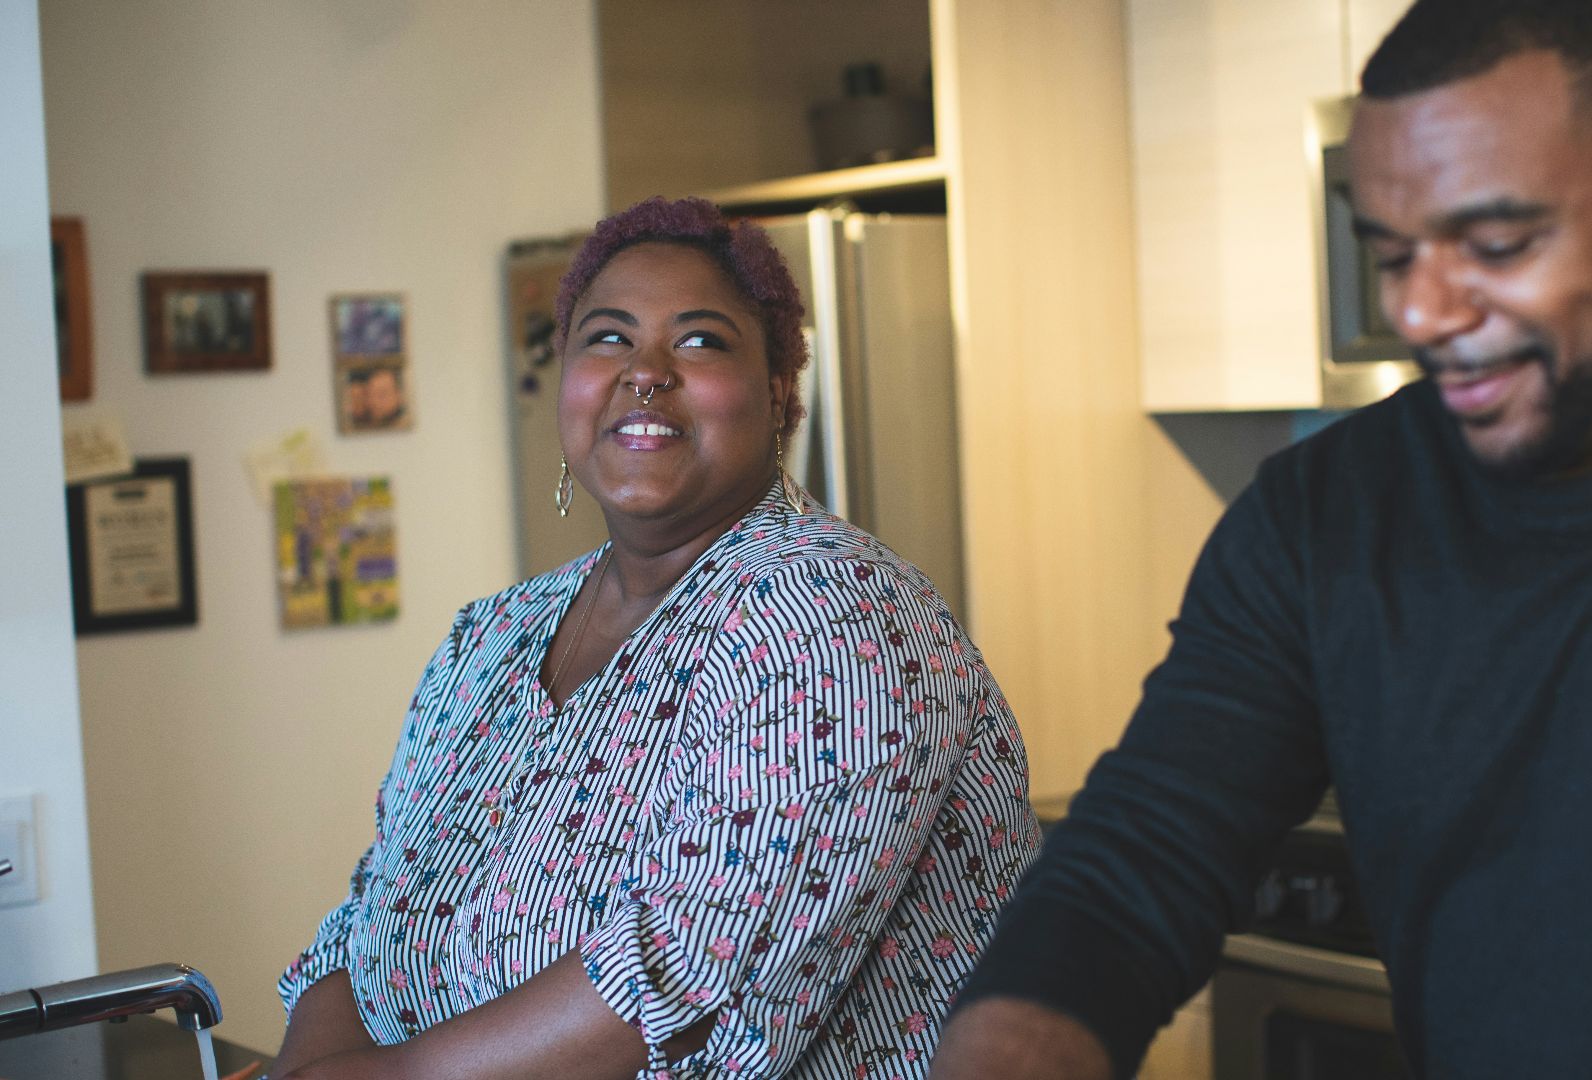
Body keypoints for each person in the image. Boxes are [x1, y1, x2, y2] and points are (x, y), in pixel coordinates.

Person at [931, 1, 1592, 1077]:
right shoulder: (1323, 516)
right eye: (1393, 256)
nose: (1425, 312)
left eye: (1496, 244)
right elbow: (1137, 869)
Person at [275, 196, 1037, 1079]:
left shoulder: (839, 616)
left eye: (701, 341)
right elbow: (376, 905)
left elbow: (684, 975)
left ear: (780, 393)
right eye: (607, 338)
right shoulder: (491, 637)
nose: (645, 372)